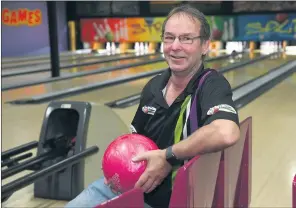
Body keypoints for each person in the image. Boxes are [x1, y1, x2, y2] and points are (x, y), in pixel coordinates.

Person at [65, 4, 240, 208]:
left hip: (173, 200)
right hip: (131, 188)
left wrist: (167, 157)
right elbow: (134, 139)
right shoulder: (154, 86)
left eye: (186, 38)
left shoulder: (210, 84)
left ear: (205, 45)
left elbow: (226, 132)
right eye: (169, 37)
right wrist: (117, 167)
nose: (175, 46)